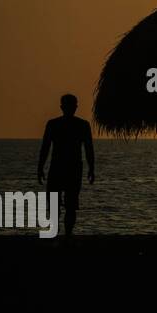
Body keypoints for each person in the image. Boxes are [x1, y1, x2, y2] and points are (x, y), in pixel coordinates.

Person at [37, 94, 95, 238]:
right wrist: (40, 167)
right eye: (70, 105)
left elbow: (89, 148)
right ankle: (64, 235)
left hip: (66, 168)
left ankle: (64, 234)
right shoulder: (74, 125)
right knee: (66, 205)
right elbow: (45, 147)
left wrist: (92, 168)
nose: (71, 108)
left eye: (72, 105)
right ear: (63, 107)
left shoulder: (74, 125)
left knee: (68, 205)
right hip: (65, 168)